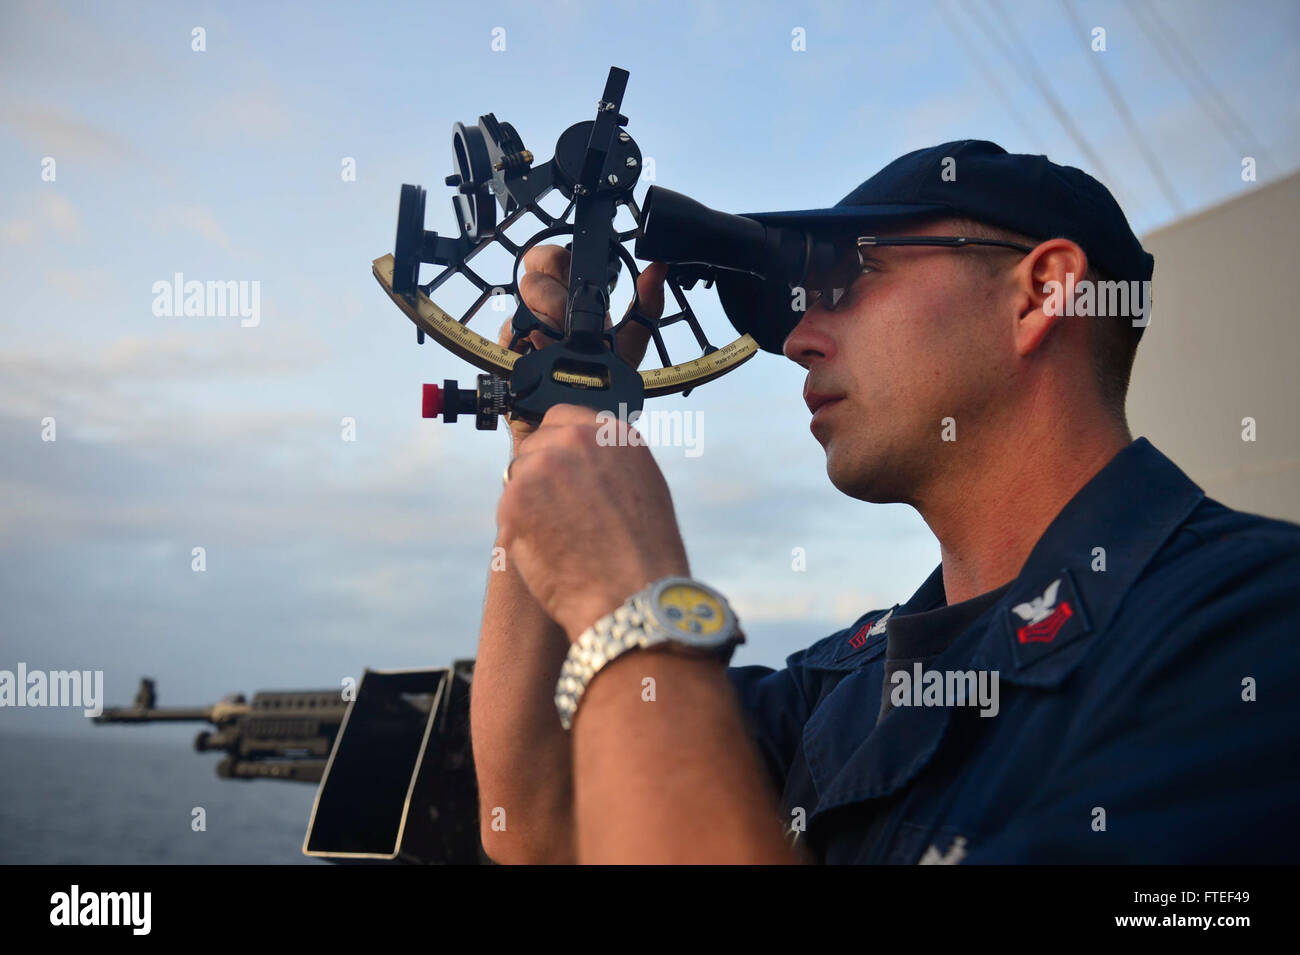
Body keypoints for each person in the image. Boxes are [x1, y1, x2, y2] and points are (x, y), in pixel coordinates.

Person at [470, 140, 1300, 864]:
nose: (798, 340)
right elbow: (540, 825)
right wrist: (556, 429)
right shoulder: (848, 683)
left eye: (851, 275)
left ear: (1042, 292)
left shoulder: (1252, 628)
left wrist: (634, 609)